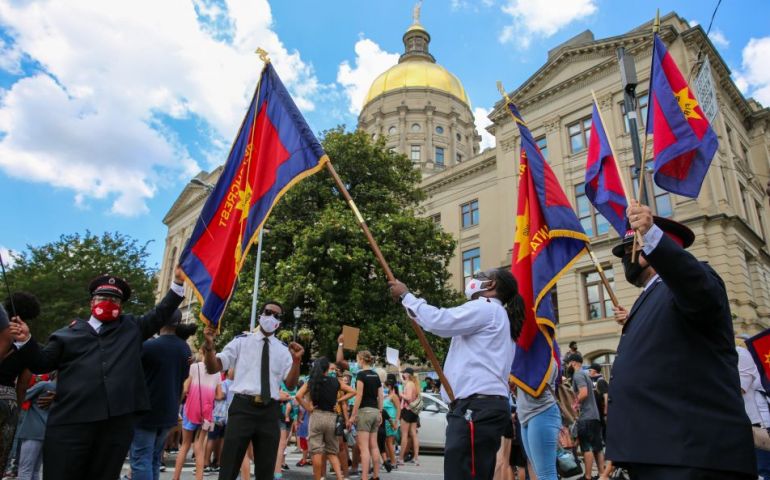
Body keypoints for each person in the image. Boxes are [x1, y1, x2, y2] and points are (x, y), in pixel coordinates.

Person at [606, 201, 756, 479]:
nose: (628, 258)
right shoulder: (650, 297)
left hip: (692, 455)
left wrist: (652, 235)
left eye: (632, 248)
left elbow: (693, 282)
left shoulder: (691, 281)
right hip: (658, 452)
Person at [9, 270, 186, 480]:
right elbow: (41, 363)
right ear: (92, 302)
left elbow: (161, 312)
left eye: (115, 299)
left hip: (113, 428)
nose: (109, 302)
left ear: (121, 306)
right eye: (103, 298)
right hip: (71, 425)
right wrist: (26, 340)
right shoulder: (66, 334)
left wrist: (177, 282)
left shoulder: (131, 328)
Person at [389, 266, 522, 480]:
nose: (476, 276)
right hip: (482, 408)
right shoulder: (500, 315)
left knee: (462, 475)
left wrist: (407, 296)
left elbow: (441, 321)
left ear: (491, 285)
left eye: (482, 274)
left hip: (476, 409)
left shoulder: (486, 308)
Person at [201, 300, 304, 480]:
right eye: (268, 312)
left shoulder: (282, 350)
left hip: (269, 411)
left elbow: (291, 384)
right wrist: (209, 347)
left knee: (266, 470)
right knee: (229, 467)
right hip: (242, 408)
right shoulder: (241, 341)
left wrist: (296, 362)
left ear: (279, 322)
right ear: (260, 315)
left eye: (277, 316)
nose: (271, 317)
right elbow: (213, 367)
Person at [130, 310, 195, 480]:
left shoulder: (148, 346)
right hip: (168, 410)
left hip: (146, 410)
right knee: (154, 459)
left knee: (141, 459)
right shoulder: (185, 349)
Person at [295, 357, 355, 480]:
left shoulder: (312, 381)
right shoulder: (335, 381)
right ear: (327, 368)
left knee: (316, 451)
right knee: (332, 451)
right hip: (331, 417)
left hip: (316, 416)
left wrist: (308, 408)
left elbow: (298, 396)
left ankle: (319, 477)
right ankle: (340, 477)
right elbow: (352, 392)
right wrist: (339, 400)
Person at [1, 292, 40, 477]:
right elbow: (23, 384)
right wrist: (16, 406)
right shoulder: (27, 341)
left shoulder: (2, 333)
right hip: (8, 400)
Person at [172, 348, 223, 480]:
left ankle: (176, 477)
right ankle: (199, 478)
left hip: (190, 410)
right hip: (206, 414)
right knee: (199, 446)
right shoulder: (217, 373)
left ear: (201, 352)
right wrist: (209, 395)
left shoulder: (194, 368)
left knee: (185, 445)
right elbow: (219, 395)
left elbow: (185, 388)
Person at [565, 353, 604, 479]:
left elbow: (583, 393)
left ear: (573, 363)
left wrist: (574, 404)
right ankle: (603, 475)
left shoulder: (577, 375)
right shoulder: (585, 374)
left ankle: (587, 476)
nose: (567, 366)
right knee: (598, 448)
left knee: (587, 448)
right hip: (594, 416)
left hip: (586, 416)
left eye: (568, 363)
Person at [736, 337, 770, 479]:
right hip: (744, 426)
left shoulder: (741, 354)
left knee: (762, 471)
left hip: (758, 426)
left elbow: (737, 390)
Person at [348, 350, 382, 480]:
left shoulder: (361, 375)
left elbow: (359, 395)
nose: (357, 362)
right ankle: (376, 475)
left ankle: (364, 477)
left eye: (357, 359)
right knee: (374, 445)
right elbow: (380, 395)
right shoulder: (376, 375)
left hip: (364, 411)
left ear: (362, 360)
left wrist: (353, 414)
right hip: (374, 411)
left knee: (364, 447)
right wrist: (380, 411)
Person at [16, 371, 55, 480]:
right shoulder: (62, 391)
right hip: (46, 431)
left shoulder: (44, 385)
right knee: (35, 471)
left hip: (32, 430)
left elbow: (22, 394)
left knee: (24, 470)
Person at [397, 367, 420, 466]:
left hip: (407, 410)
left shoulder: (409, 384)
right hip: (414, 411)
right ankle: (416, 458)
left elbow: (408, 398)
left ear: (408, 375)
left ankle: (401, 458)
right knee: (413, 434)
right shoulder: (413, 383)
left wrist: (400, 394)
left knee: (405, 434)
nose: (403, 374)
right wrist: (398, 367)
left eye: (404, 373)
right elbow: (402, 379)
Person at [587, 363, 608, 438]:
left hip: (601, 410)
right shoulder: (592, 381)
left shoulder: (601, 381)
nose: (588, 372)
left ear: (594, 371)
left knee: (603, 427)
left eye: (590, 370)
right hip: (595, 410)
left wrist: (605, 410)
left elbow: (606, 396)